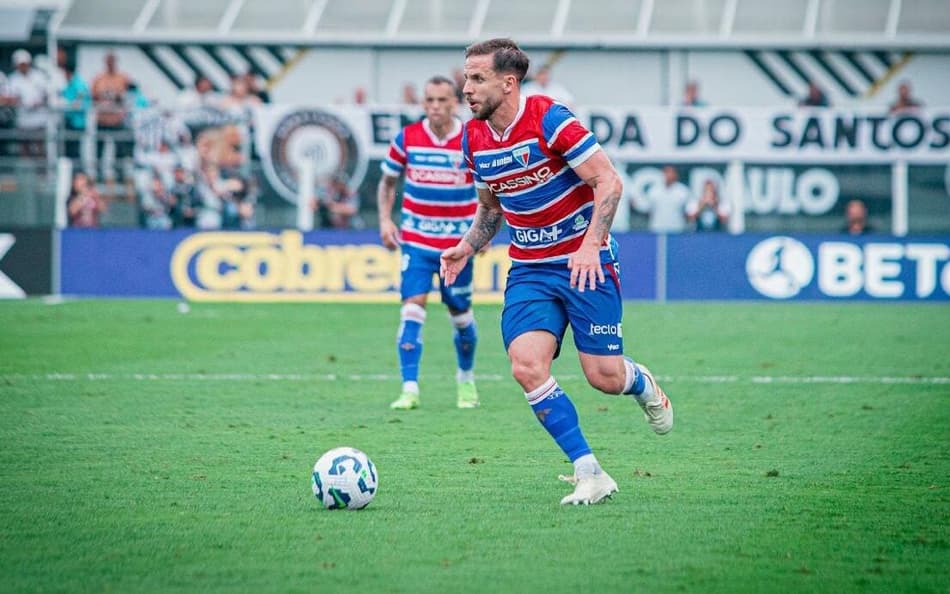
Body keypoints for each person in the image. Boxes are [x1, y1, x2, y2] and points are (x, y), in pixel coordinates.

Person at [440, 38, 672, 506]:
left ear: (509, 82)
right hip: (530, 269)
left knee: (603, 377)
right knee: (526, 367)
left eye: (477, 78)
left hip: (586, 264)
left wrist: (589, 247)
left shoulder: (551, 119)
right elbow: (490, 209)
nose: (466, 88)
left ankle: (642, 383)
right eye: (466, 77)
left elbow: (608, 180)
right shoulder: (473, 138)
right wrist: (466, 247)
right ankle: (589, 471)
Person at [378, 74, 481, 410]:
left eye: (442, 100)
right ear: (423, 104)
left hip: (457, 247)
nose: (436, 107)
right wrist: (384, 218)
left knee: (459, 314)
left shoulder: (471, 138)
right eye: (430, 101)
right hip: (417, 242)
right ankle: (410, 389)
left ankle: (465, 380)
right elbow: (388, 182)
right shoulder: (407, 138)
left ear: (455, 102)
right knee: (412, 308)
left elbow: (490, 186)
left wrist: (483, 232)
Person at [640, 165, 692, 233]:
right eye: (666, 172)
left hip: (677, 230)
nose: (668, 175)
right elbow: (647, 209)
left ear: (675, 175)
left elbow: (689, 211)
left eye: (671, 173)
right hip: (657, 229)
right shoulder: (654, 190)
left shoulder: (683, 191)